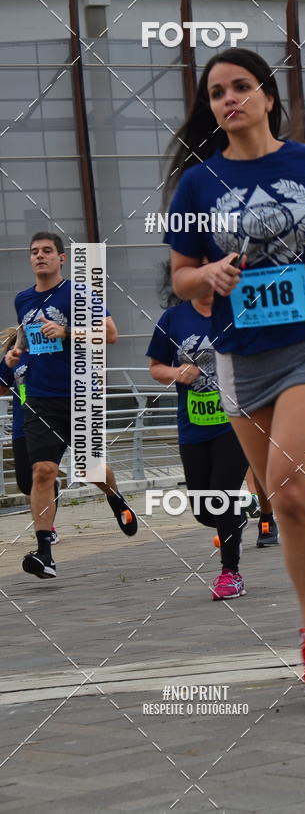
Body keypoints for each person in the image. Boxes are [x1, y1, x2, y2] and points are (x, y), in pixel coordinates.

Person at [162, 47, 305, 692]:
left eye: (240, 87)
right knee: (283, 499)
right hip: (238, 356)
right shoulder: (198, 184)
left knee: (286, 487)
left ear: (267, 95)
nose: (228, 100)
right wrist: (205, 272)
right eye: (216, 93)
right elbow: (179, 278)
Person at [5, 232, 137, 579]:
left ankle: (115, 498)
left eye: (47, 251)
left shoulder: (79, 294)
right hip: (38, 398)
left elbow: (110, 334)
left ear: (61, 258)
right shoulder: (22, 299)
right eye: (34, 252)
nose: (40, 257)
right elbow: (27, 333)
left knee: (91, 470)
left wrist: (67, 333)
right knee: (42, 471)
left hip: (80, 394)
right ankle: (45, 552)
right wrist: (16, 350)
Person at [147, 263, 274, 600]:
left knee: (223, 495)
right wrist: (176, 373)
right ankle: (235, 521)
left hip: (235, 421)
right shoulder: (173, 320)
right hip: (193, 426)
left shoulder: (241, 311)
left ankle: (230, 574)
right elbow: (155, 367)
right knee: (205, 510)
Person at [0, 346, 61, 543]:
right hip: (22, 424)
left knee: (43, 474)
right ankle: (52, 484)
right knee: (26, 483)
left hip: (50, 422)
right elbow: (1, 386)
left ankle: (47, 529)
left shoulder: (56, 350)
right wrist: (7, 363)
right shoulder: (16, 353)